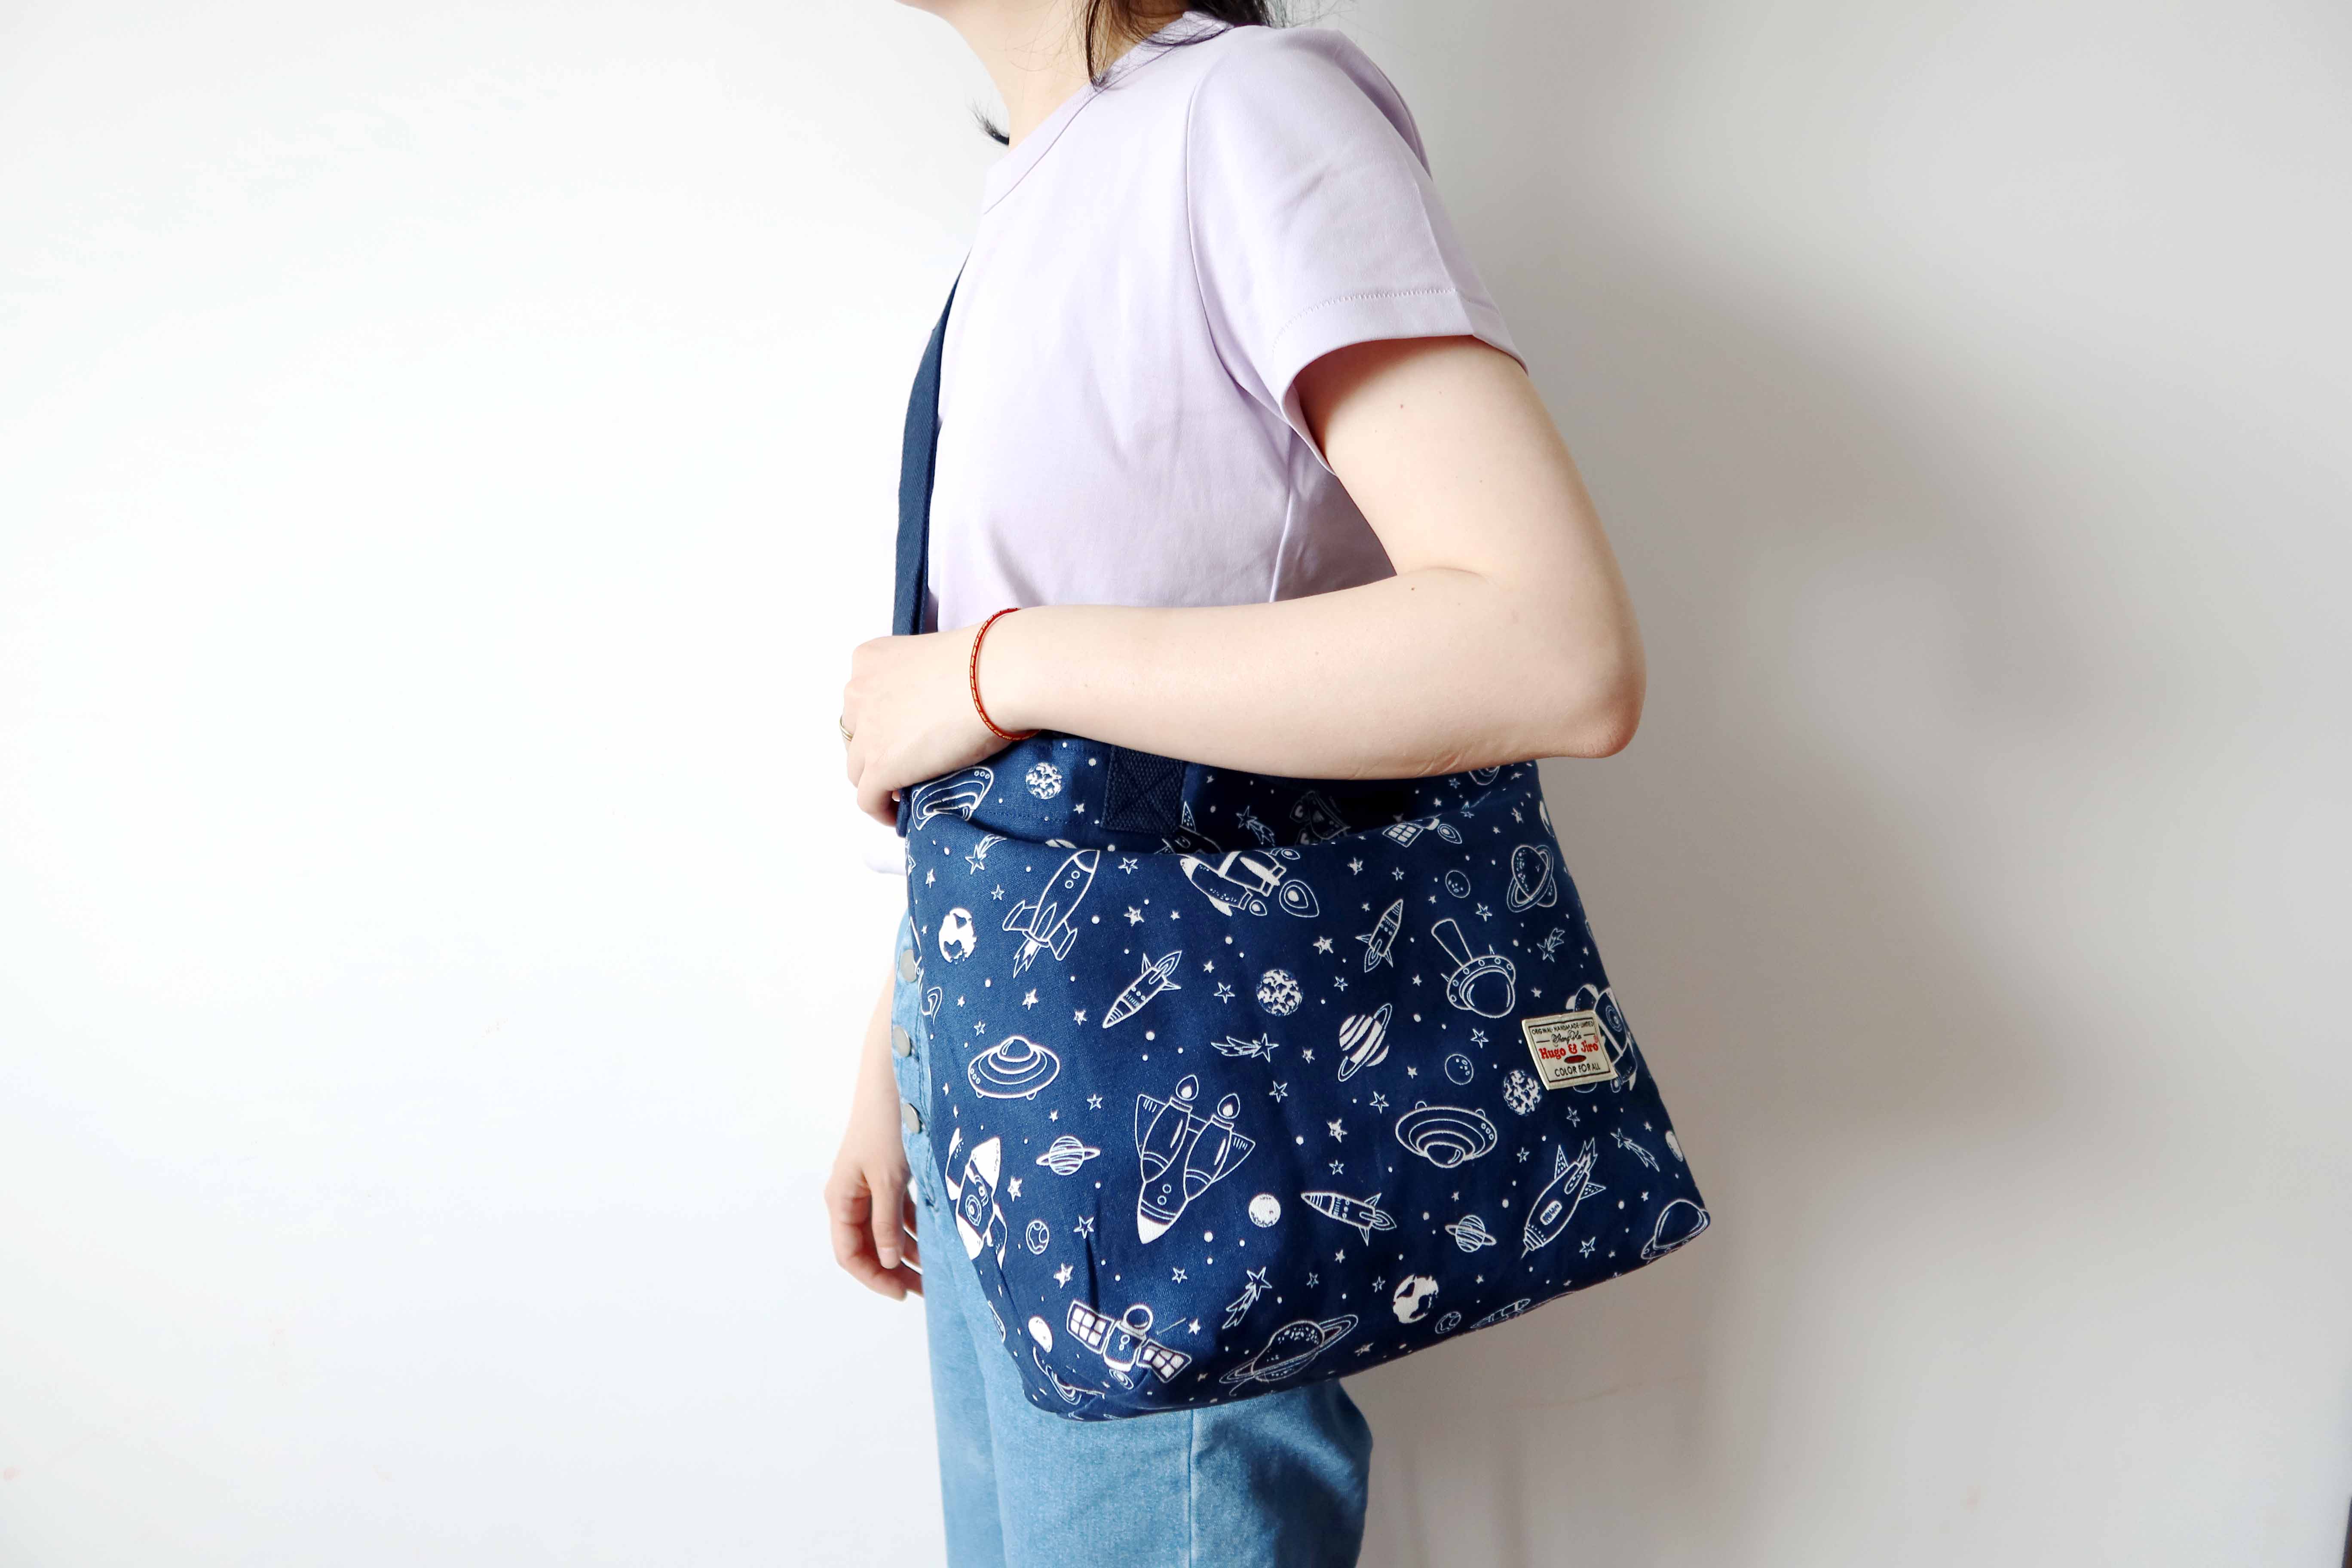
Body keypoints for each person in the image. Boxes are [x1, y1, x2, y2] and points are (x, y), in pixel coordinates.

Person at [826, 3, 1645, 1562]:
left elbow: (1553, 647)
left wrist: (990, 666)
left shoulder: (1243, 115)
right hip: (1007, 1061)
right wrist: (904, 1038)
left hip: (1165, 1075)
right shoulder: (1043, 192)